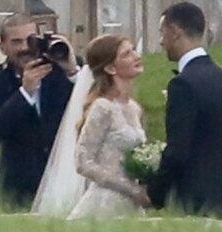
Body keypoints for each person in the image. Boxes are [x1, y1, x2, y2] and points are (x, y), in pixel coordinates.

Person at [33, 34, 150, 219]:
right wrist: (127, 188)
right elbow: (83, 161)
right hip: (105, 202)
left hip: (132, 203)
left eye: (133, 50)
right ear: (110, 68)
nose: (136, 56)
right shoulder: (103, 107)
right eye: (127, 54)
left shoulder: (134, 108)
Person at [147, 2, 222, 217]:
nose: (161, 42)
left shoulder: (183, 84)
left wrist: (154, 193)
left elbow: (177, 151)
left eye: (162, 33)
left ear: (175, 32)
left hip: (191, 202)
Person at [0, 13, 80, 211]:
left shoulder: (62, 68)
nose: (24, 48)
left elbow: (95, 106)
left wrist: (73, 73)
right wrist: (25, 94)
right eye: (16, 42)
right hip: (20, 189)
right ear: (3, 47)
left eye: (30, 40)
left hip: (65, 180)